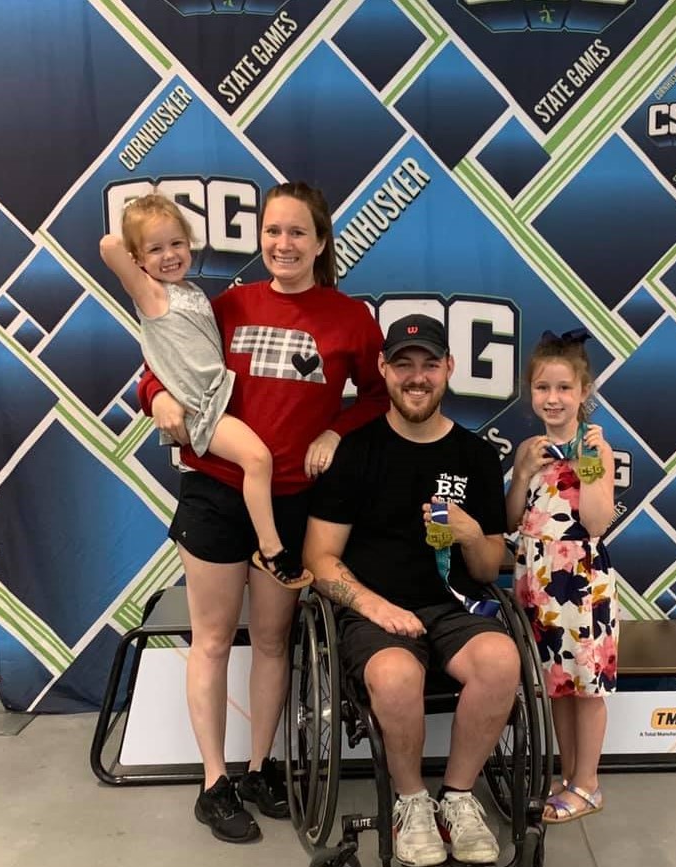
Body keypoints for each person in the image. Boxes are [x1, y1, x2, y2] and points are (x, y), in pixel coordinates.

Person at [136, 182, 390, 844]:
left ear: (321, 241)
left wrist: (337, 431)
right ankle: (214, 782)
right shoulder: (228, 304)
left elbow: (375, 396)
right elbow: (166, 361)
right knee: (214, 639)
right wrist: (155, 394)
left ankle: (259, 768)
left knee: (274, 640)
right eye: (272, 231)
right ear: (261, 238)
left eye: (297, 232)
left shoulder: (351, 318)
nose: (283, 243)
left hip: (292, 501)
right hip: (216, 492)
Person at [304, 314, 521, 867]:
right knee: (397, 675)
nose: (417, 377)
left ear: (449, 369)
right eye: (404, 365)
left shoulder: (475, 456)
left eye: (429, 364)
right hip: (374, 615)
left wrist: (472, 532)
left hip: (453, 606)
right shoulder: (356, 451)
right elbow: (319, 559)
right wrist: (375, 605)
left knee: (501, 659)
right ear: (383, 370)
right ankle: (411, 802)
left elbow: (490, 563)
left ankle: (458, 796)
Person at [102, 194, 312, 589]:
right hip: (202, 411)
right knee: (257, 458)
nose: (169, 255)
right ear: (138, 258)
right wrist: (136, 248)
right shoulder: (152, 294)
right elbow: (108, 247)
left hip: (218, 401)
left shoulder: (193, 293)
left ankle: (267, 545)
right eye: (156, 249)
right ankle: (271, 549)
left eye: (177, 244)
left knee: (256, 460)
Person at [505, 328, 617, 824]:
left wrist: (590, 467)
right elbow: (510, 519)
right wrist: (523, 471)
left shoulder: (596, 450)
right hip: (537, 578)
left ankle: (588, 784)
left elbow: (596, 523)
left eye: (564, 388)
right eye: (543, 388)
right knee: (558, 685)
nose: (553, 399)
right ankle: (569, 775)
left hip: (582, 582)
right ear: (532, 393)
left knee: (587, 687)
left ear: (584, 391)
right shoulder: (529, 447)